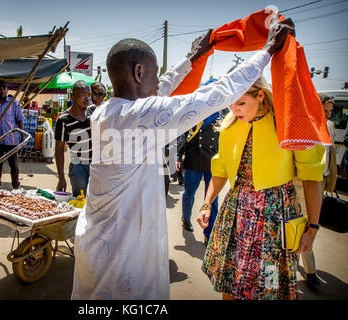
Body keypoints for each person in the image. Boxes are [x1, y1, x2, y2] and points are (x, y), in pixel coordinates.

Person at [71, 19, 295, 300]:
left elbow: (162, 89)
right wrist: (266, 51)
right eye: (153, 74)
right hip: (122, 259)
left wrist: (191, 59)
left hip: (98, 244)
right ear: (139, 72)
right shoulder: (138, 116)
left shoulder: (106, 112)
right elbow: (211, 96)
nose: (158, 81)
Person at [197, 71, 326, 299]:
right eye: (230, 105)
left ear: (261, 96)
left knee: (270, 285)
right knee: (231, 283)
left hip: (274, 222)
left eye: (241, 103)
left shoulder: (289, 124)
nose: (234, 111)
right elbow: (220, 170)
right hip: (236, 217)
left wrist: (313, 227)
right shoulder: (229, 127)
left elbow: (312, 177)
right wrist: (206, 204)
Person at [297, 93, 337, 290]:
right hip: (302, 183)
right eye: (325, 110)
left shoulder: (328, 127)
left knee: (310, 227)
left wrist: (330, 181)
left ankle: (306, 268)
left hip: (320, 182)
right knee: (303, 227)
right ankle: (310, 273)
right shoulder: (305, 125)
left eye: (330, 111)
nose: (328, 115)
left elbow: (331, 157)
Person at [177, 109, 220, 239]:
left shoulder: (222, 113)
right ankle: (186, 218)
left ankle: (209, 232)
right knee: (189, 194)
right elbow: (183, 135)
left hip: (213, 162)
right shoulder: (194, 112)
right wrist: (178, 156)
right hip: (194, 160)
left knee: (212, 199)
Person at [54, 80, 94, 197]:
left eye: (88, 95)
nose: (87, 98)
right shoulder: (64, 120)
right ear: (72, 96)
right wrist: (61, 177)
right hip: (78, 168)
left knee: (97, 202)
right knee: (80, 201)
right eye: (83, 95)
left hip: (96, 165)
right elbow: (59, 150)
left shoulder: (93, 112)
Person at [0, 80, 24, 190]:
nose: (2, 91)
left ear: (7, 90)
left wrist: (22, 136)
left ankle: (16, 186)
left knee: (14, 165)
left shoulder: (13, 103)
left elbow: (20, 120)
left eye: (4, 89)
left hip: (12, 140)